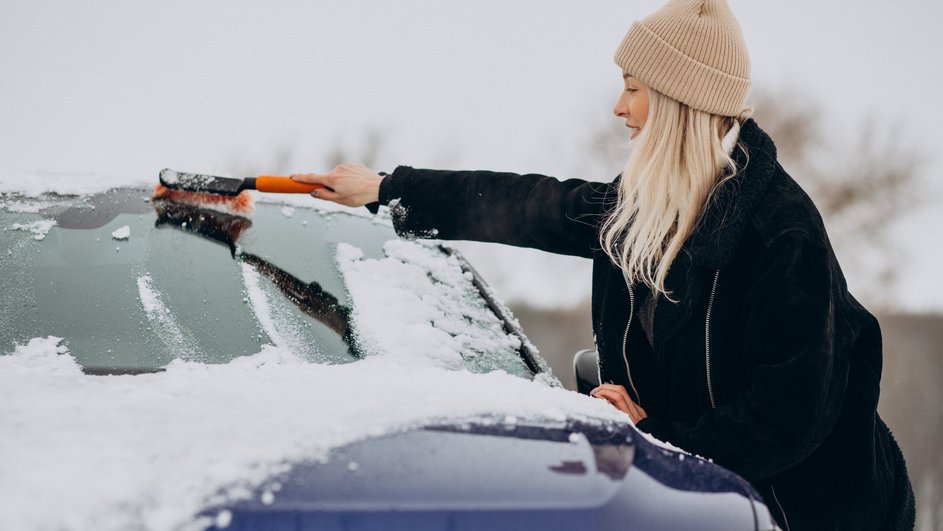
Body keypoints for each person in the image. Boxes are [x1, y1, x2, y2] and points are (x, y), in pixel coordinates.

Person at [290, 0, 915, 528]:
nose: (620, 107)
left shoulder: (781, 233)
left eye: (635, 89)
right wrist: (386, 188)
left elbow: (786, 420)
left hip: (813, 512)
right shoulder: (649, 206)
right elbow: (531, 205)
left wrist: (654, 437)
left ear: (677, 102)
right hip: (704, 500)